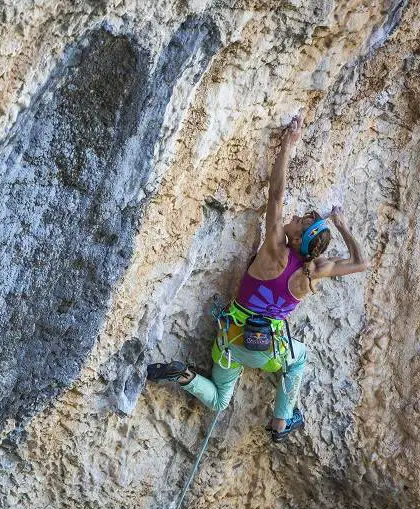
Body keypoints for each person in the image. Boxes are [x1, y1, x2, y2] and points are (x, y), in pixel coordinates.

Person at [147, 113, 368, 441]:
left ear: (295, 239)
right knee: (299, 357)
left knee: (221, 398)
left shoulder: (275, 250)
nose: (292, 218)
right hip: (270, 350)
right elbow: (361, 263)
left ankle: (184, 375)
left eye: (299, 222)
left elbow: (276, 195)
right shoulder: (315, 271)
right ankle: (280, 421)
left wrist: (287, 146)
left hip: (231, 341)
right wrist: (342, 224)